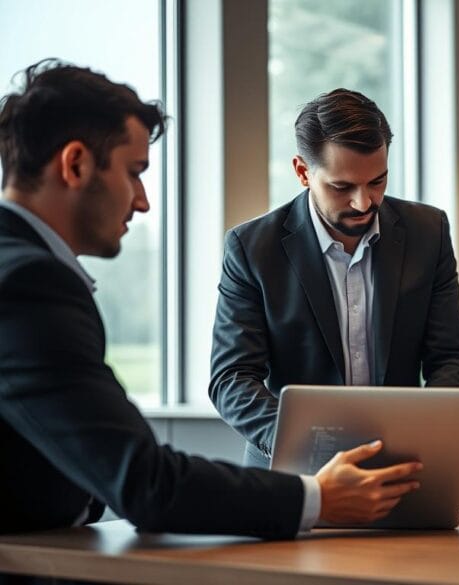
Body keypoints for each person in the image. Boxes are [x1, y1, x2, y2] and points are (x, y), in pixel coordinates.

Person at [0, 60, 422, 539]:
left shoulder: (22, 274)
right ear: (75, 164)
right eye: (134, 172)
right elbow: (147, 483)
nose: (143, 200)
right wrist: (319, 496)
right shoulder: (28, 285)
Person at [209, 88, 459, 468]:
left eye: (377, 182)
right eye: (342, 187)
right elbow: (232, 377)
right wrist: (300, 444)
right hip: (292, 471)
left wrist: (423, 434)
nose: (363, 202)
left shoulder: (427, 232)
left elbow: (452, 357)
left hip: (402, 464)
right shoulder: (252, 248)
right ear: (302, 172)